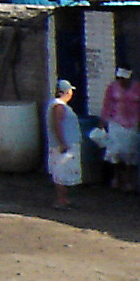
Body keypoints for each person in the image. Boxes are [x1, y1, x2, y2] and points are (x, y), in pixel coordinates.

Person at [99, 67, 140, 192]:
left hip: (132, 123)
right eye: (120, 78)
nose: (122, 81)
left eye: (124, 79)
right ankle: (116, 177)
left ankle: (128, 180)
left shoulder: (137, 87)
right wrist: (103, 120)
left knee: (130, 152)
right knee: (116, 151)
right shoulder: (112, 88)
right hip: (116, 122)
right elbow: (107, 105)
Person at [46, 79, 81, 209]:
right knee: (61, 172)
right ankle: (61, 200)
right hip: (63, 145)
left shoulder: (59, 105)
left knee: (64, 172)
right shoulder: (59, 106)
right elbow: (57, 125)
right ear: (66, 92)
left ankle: (64, 199)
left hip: (67, 143)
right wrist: (62, 143)